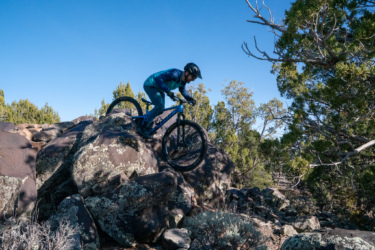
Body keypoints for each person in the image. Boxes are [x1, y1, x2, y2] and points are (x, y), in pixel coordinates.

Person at [140, 62, 202, 138]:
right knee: (159, 106)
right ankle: (143, 126)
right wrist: (168, 91)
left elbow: (183, 91)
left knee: (161, 109)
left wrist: (190, 99)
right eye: (193, 77)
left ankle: (147, 120)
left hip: (159, 88)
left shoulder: (183, 82)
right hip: (150, 84)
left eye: (194, 78)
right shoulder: (175, 74)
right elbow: (158, 78)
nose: (193, 79)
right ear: (186, 73)